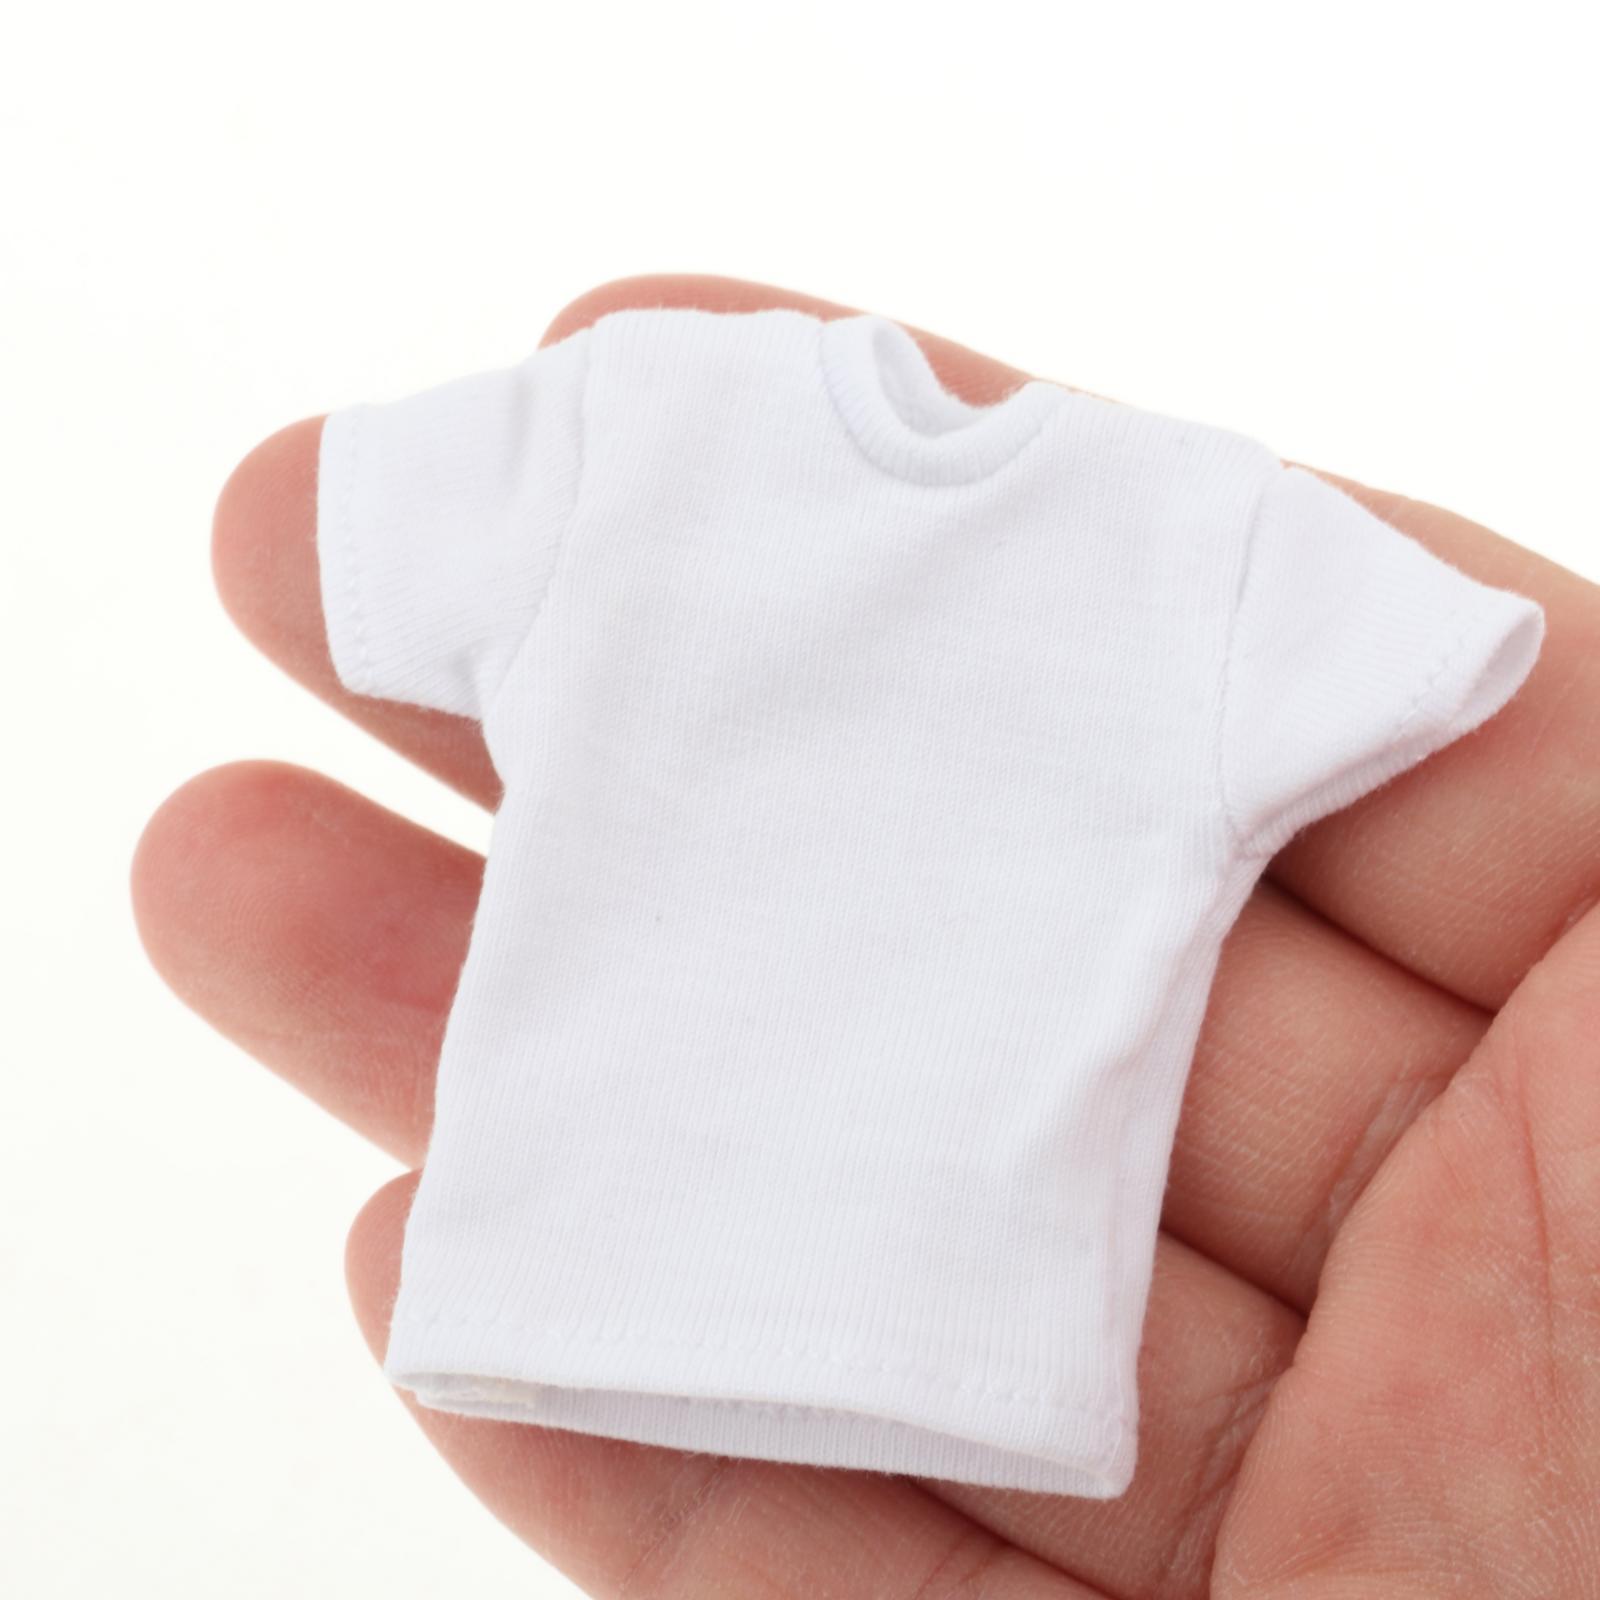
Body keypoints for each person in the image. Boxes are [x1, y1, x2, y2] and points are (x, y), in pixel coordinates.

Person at [130, 274, 1600, 1597]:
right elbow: (1438, 647)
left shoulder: (1177, 534)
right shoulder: (665, 422)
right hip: (947, 1342)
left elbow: (373, 541)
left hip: (598, 1280)